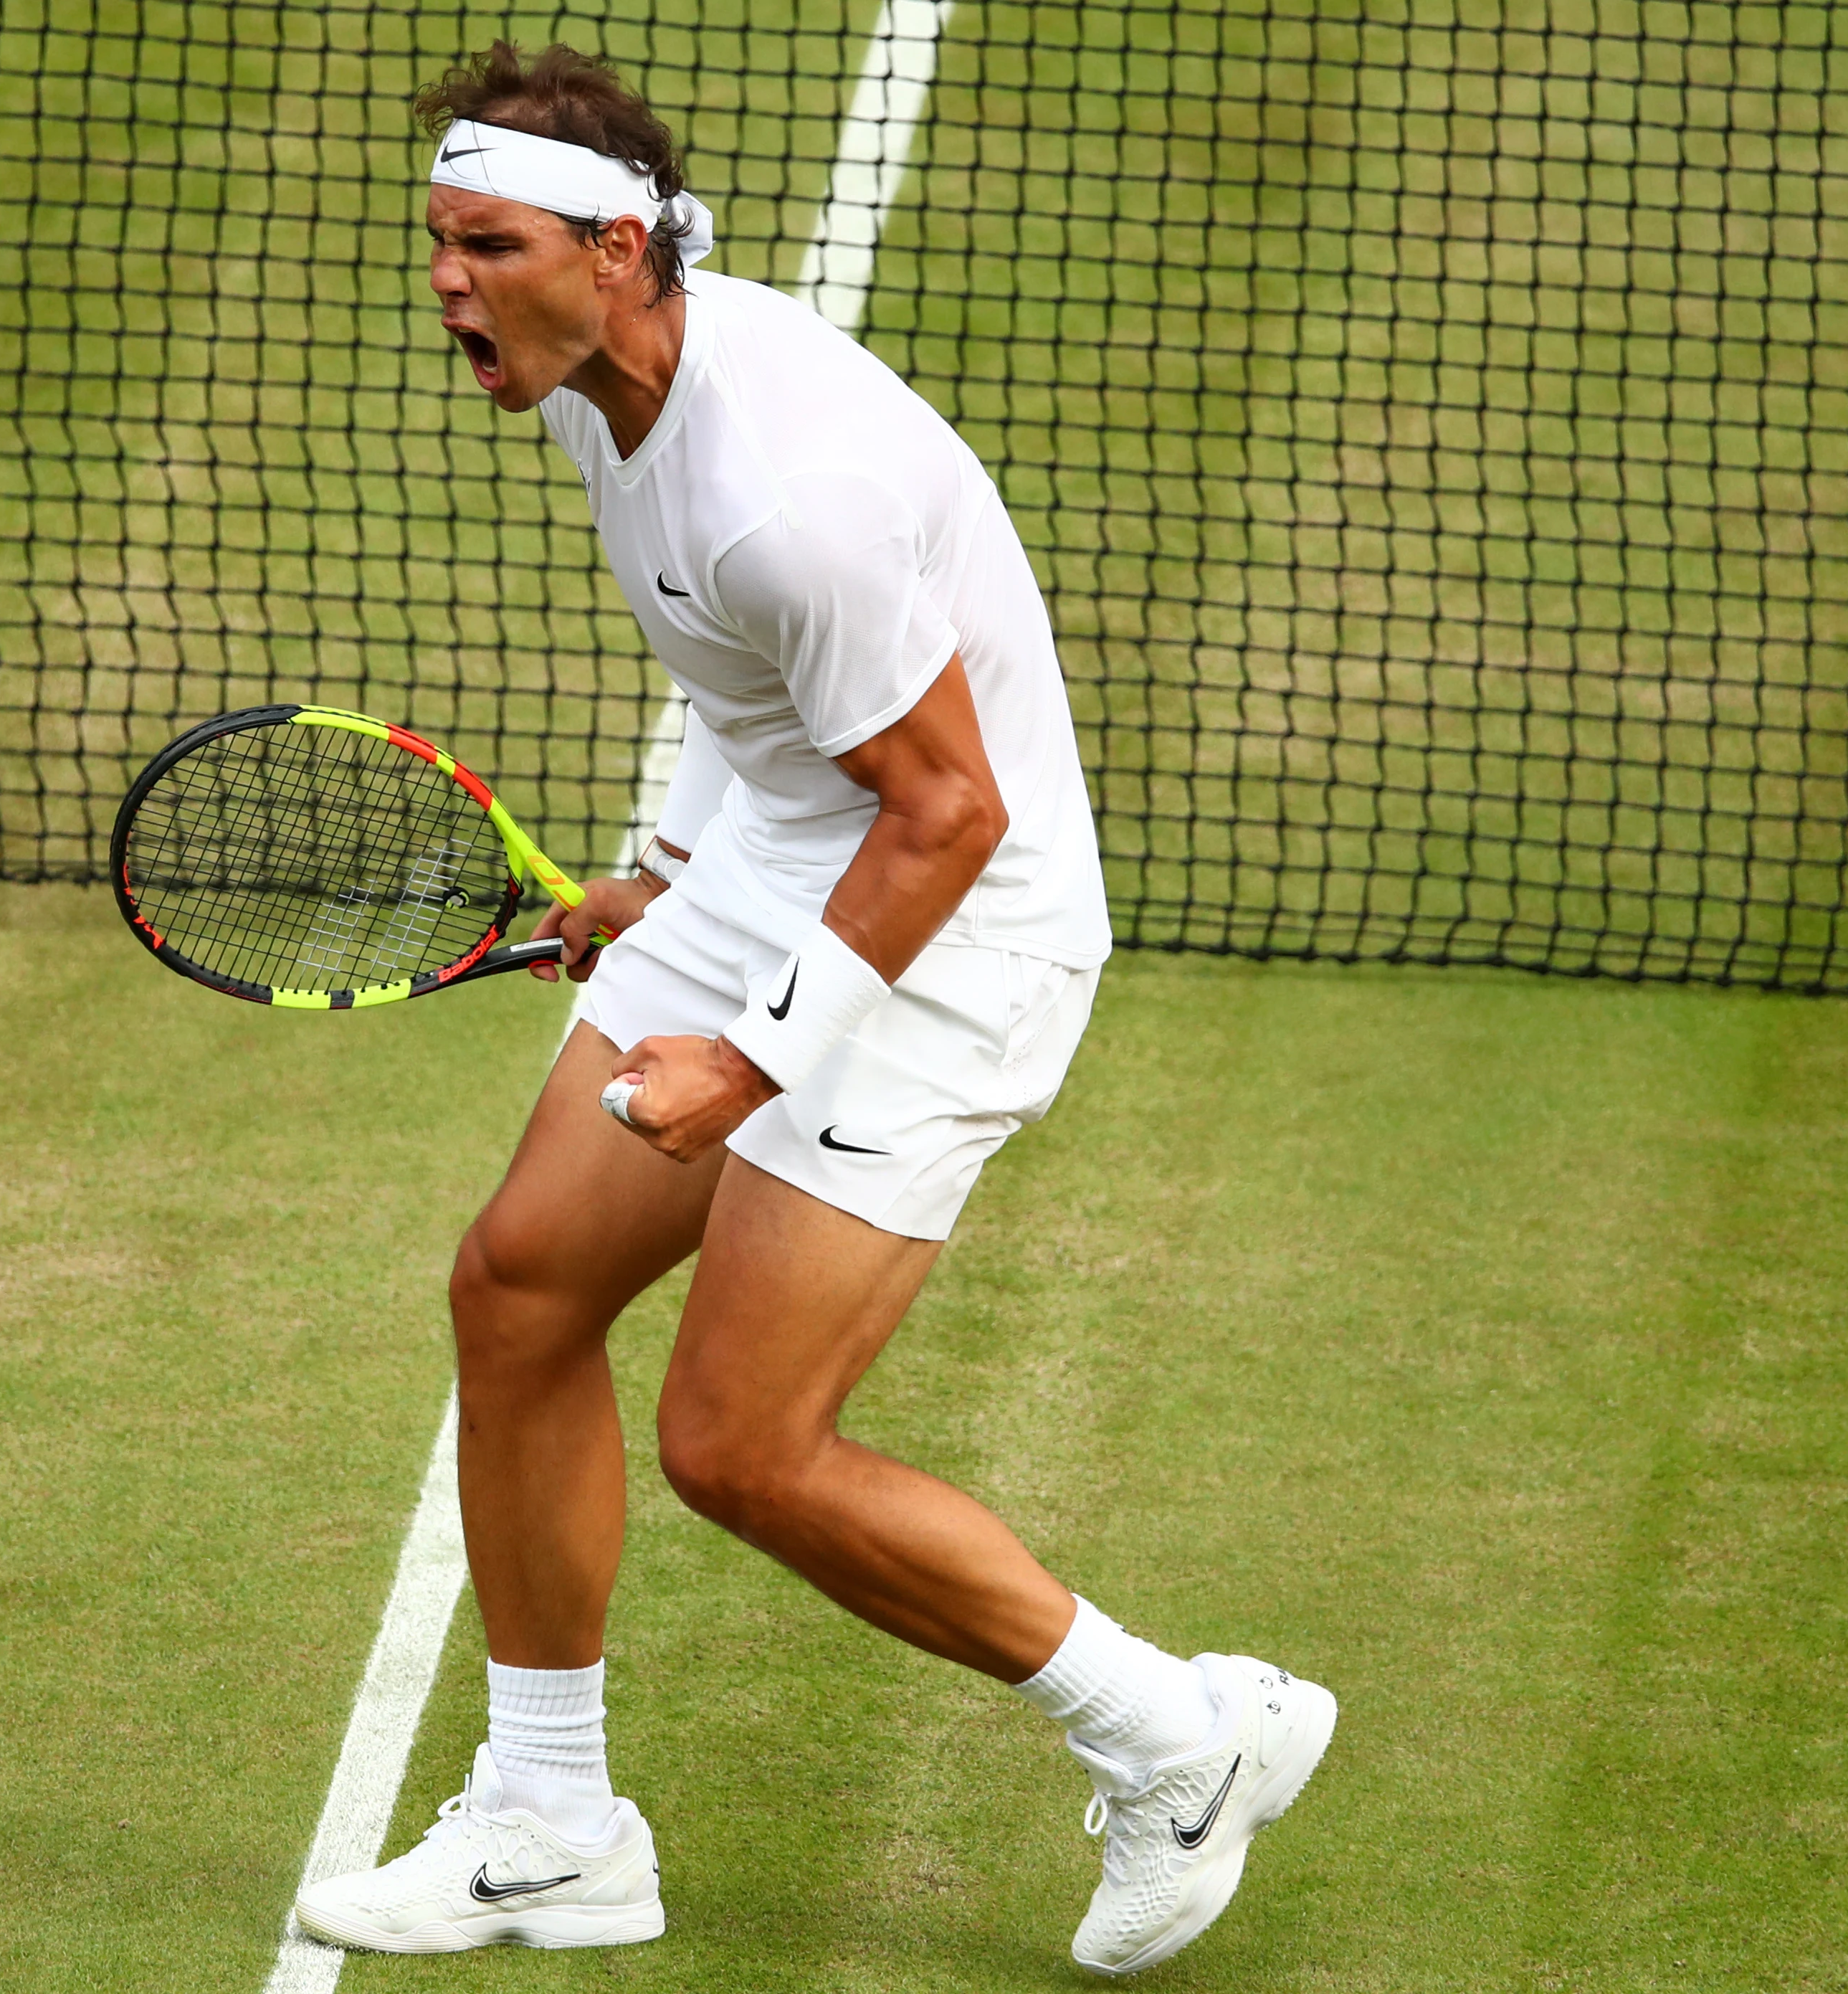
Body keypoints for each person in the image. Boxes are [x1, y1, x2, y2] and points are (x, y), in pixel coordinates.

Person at [282, 44, 1335, 1976]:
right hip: (794, 851)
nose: (444, 279)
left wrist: (752, 1049)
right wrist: (674, 885)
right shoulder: (601, 394)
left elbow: (950, 809)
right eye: (435, 241)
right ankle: (551, 1822)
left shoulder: (786, 490)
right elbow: (751, 693)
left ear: (612, 251)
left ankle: (1178, 1735)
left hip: (960, 934)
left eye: (484, 242)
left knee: (742, 1443)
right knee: (518, 1287)